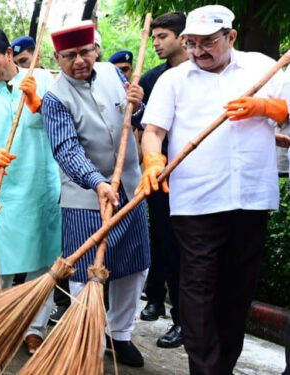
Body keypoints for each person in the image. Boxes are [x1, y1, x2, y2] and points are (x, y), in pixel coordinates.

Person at [139, 6, 289, 374]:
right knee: (197, 289)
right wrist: (153, 161)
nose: (198, 51)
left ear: (231, 37)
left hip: (252, 198)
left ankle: (222, 366)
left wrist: (268, 107)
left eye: (208, 42)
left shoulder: (262, 67)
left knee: (237, 291)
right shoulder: (175, 80)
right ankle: (204, 369)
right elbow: (154, 132)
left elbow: (287, 112)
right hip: (196, 201)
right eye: (192, 43)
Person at [41, 21, 150, 367]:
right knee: (85, 271)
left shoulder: (112, 74)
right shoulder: (54, 97)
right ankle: (85, 335)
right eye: (70, 55)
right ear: (57, 57)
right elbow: (66, 150)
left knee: (134, 267)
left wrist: (139, 104)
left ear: (96, 50)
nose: (79, 61)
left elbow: (134, 119)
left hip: (129, 190)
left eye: (85, 52)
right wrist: (98, 182)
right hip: (85, 197)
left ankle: (120, 335)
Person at [0, 28, 61, 355]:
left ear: (9, 53)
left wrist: (37, 101)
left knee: (43, 261)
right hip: (3, 191)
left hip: (42, 186)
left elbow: (61, 125)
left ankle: (35, 329)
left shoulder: (43, 81)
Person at [137, 11, 188, 349]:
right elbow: (142, 128)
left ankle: (185, 320)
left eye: (162, 37)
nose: (155, 43)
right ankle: (158, 300)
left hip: (192, 175)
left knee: (188, 250)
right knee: (162, 241)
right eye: (153, 37)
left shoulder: (198, 75)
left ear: (183, 38)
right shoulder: (153, 78)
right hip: (159, 175)